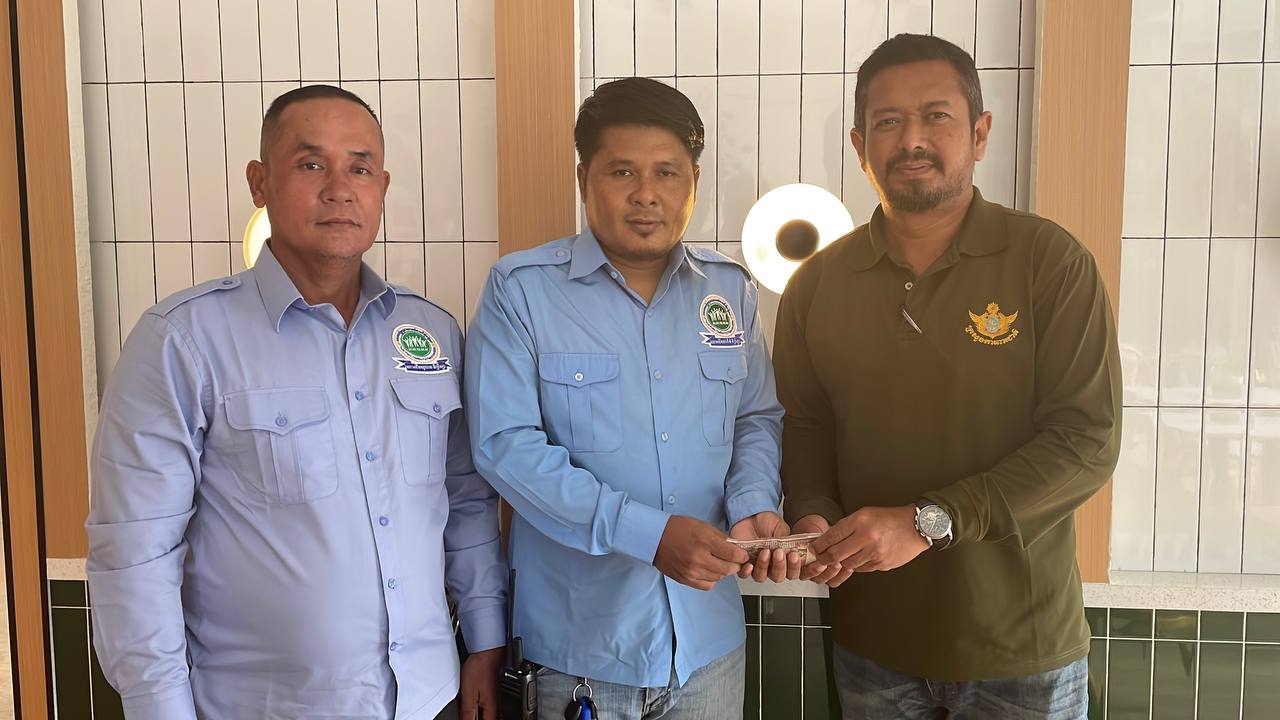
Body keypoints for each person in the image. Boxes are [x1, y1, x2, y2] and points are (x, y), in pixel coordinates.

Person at [86, 84, 506, 720]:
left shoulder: (431, 333)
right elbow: (135, 552)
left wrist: (485, 639)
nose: (339, 189)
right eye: (311, 164)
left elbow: (465, 501)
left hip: (428, 698)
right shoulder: (182, 341)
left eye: (359, 168)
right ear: (260, 182)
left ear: (382, 187)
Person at [775, 34, 1121, 719]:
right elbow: (805, 427)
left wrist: (930, 521)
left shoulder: (1048, 261)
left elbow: (1086, 442)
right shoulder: (817, 283)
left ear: (980, 132)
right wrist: (813, 514)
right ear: (859, 145)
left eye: (936, 115)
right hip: (871, 643)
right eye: (888, 122)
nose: (912, 140)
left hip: (1021, 649)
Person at [464, 77, 797, 720]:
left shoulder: (729, 291)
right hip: (578, 655)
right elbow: (505, 447)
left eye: (667, 172)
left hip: (710, 649)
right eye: (623, 172)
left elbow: (756, 417)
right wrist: (647, 534)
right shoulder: (521, 290)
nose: (646, 193)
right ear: (584, 178)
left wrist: (753, 504)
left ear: (693, 181)